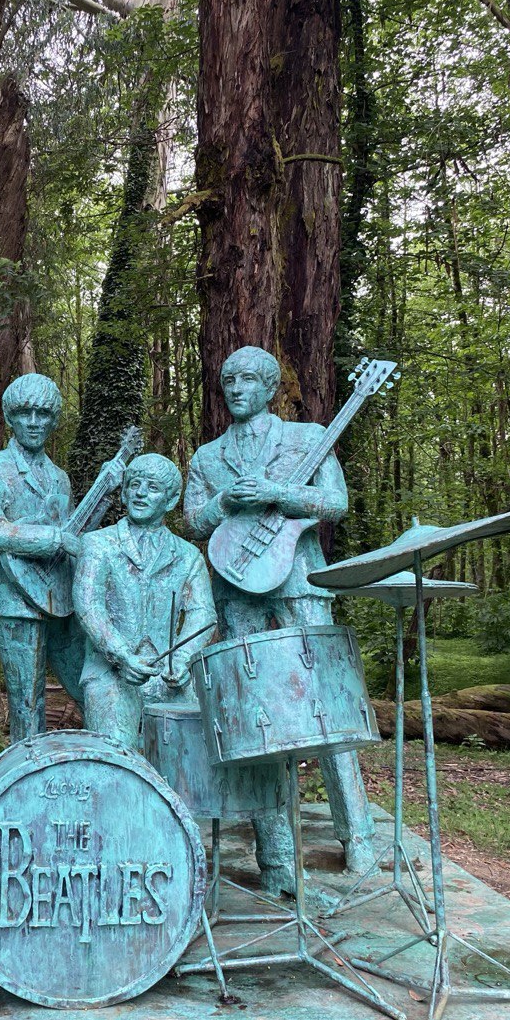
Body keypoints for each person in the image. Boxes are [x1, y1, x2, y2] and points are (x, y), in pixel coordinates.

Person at [183, 345, 375, 876]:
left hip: (300, 579)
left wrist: (278, 493)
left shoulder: (308, 438)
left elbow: (335, 502)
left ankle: (358, 836)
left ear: (271, 388)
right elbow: (192, 523)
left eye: (248, 379)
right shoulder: (207, 457)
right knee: (253, 715)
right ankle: (277, 857)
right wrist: (223, 503)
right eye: (229, 380)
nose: (236, 388)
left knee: (330, 705)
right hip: (236, 585)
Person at [73, 453, 216, 751]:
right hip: (110, 673)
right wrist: (121, 654)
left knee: (190, 754)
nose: (140, 493)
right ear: (124, 493)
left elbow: (203, 614)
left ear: (171, 500)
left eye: (152, 487)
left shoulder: (188, 556)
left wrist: (182, 659)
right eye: (134, 484)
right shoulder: (97, 544)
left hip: (169, 675)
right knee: (116, 755)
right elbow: (88, 605)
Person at [0, 373, 87, 741]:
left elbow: (72, 535)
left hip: (60, 599)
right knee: (27, 701)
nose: (35, 422)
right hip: (15, 599)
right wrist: (53, 538)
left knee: (84, 683)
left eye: (44, 414)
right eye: (25, 413)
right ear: (10, 417)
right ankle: (25, 766)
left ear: (54, 420)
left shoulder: (60, 477)